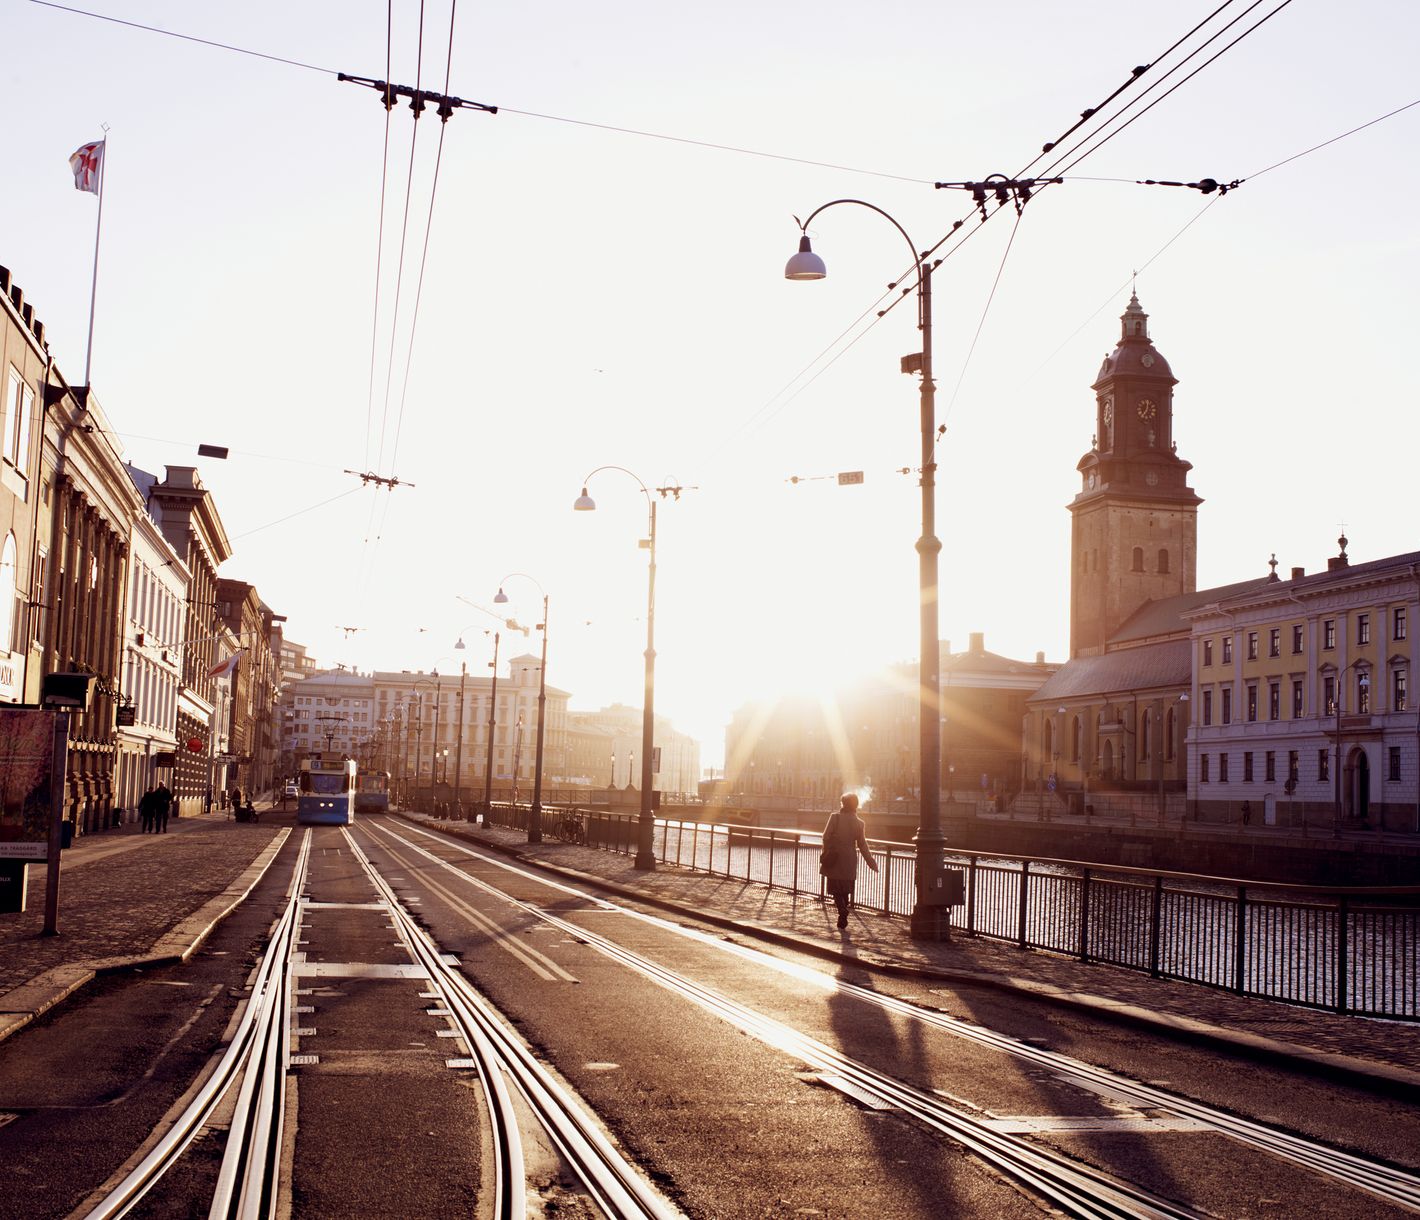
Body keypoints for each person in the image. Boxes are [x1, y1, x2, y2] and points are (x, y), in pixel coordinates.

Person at [820, 792, 878, 930]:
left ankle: (842, 911)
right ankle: (843, 913)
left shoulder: (835, 818)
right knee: (845, 889)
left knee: (835, 889)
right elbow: (863, 845)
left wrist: (827, 851)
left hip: (835, 857)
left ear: (843, 804)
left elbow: (825, 837)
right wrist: (871, 862)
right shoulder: (860, 823)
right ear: (856, 805)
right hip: (850, 859)